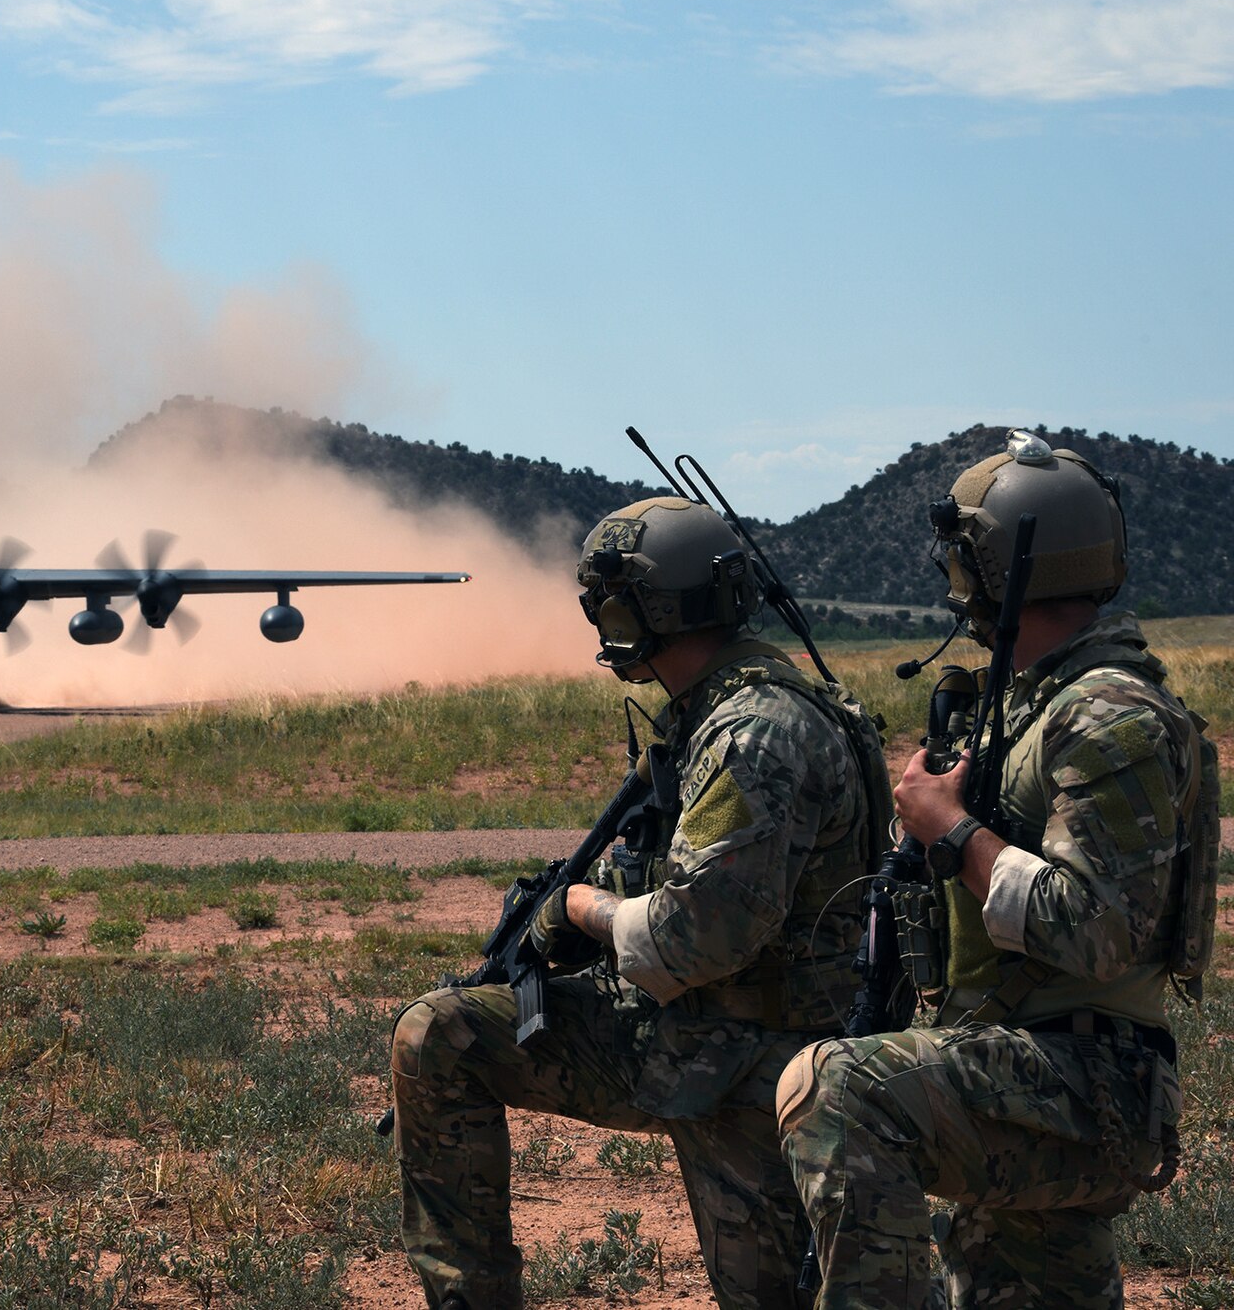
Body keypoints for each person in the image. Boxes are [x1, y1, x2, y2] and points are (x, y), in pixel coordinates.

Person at [391, 495, 890, 1310]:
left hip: (759, 1059)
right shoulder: (712, 711)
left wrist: (579, 909)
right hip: (690, 1030)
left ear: (647, 611)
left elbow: (696, 936)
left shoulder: (755, 730)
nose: (601, 621)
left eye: (610, 604)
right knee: (441, 1034)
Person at [777, 431, 1218, 1309]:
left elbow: (1097, 930)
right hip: (1037, 1062)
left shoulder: (1107, 714)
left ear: (995, 567)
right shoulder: (1033, 703)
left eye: (961, 560)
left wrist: (952, 833)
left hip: (1089, 1085)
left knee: (837, 1088)